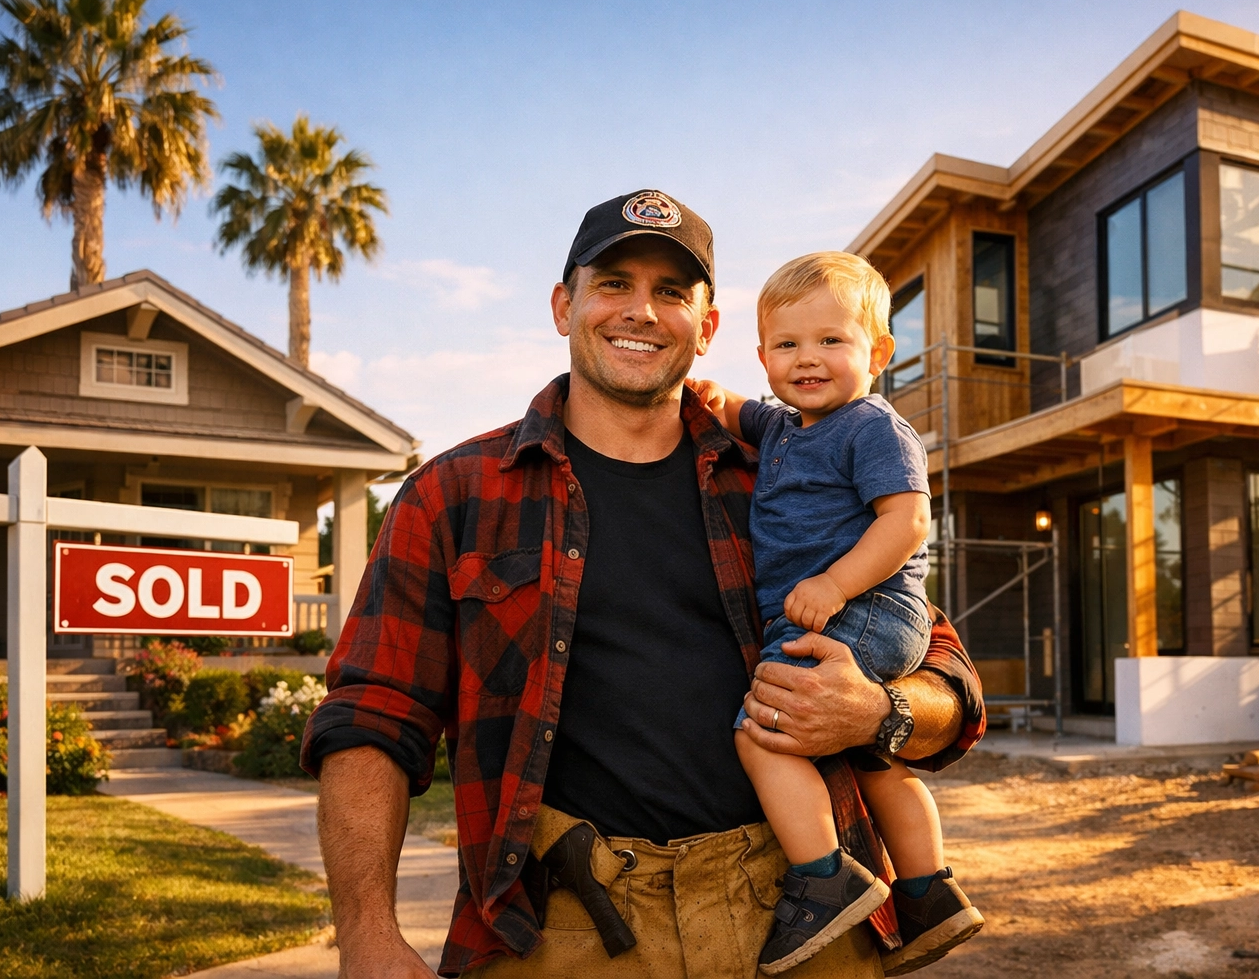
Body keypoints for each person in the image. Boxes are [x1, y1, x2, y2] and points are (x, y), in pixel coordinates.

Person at [302, 189, 986, 979]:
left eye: (671, 292)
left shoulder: (794, 471)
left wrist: (875, 711)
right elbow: (373, 714)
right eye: (614, 284)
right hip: (559, 926)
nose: (642, 312)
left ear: (709, 326)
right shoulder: (454, 494)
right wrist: (366, 933)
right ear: (565, 306)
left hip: (796, 925)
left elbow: (949, 684)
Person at [690, 252, 983, 975]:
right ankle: (927, 891)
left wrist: (835, 583)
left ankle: (823, 876)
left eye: (830, 341)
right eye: (787, 345)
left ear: (878, 353)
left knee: (764, 735)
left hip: (866, 604)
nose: (807, 359)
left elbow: (908, 523)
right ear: (763, 356)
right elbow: (740, 412)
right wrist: (713, 397)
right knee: (866, 751)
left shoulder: (871, 428)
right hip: (851, 612)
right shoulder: (788, 427)